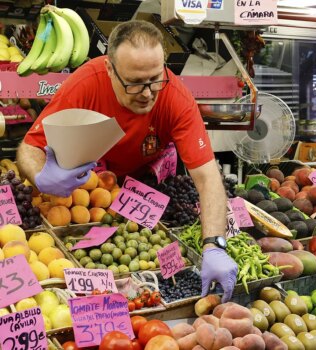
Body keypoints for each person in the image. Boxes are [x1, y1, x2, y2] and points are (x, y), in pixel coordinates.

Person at [16, 20, 238, 302]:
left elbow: (208, 178)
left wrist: (214, 245)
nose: (147, 93)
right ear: (110, 69)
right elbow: (30, 146)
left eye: (155, 79)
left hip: (145, 184)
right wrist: (40, 177)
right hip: (92, 184)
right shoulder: (87, 82)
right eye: (133, 83)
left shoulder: (176, 96)